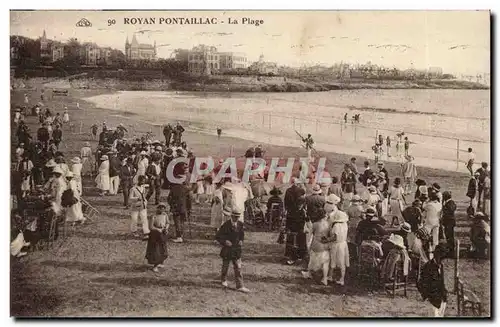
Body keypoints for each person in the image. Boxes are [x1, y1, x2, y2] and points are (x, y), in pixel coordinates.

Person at [216, 209, 250, 293]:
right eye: (235, 217)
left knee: (238, 267)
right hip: (227, 250)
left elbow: (242, 235)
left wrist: (241, 240)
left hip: (236, 250)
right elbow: (218, 236)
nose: (236, 219)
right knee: (225, 266)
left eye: (238, 217)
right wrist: (225, 241)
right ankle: (223, 280)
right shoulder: (226, 225)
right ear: (231, 216)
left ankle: (240, 285)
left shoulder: (240, 224)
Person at [301, 207, 330, 285]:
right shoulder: (328, 224)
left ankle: (309, 273)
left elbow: (309, 234)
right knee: (325, 262)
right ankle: (324, 278)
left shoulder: (315, 224)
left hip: (316, 243)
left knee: (313, 258)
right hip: (325, 243)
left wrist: (308, 245)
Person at [417, 244, 448, 317]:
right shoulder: (428, 267)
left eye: (443, 257)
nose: (441, 260)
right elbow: (420, 283)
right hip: (432, 300)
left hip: (442, 299)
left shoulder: (441, 266)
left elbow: (441, 281)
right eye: (440, 257)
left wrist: (444, 294)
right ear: (436, 255)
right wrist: (426, 296)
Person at [284, 179, 308, 265]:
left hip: (291, 218)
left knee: (291, 239)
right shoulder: (301, 192)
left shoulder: (288, 191)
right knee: (300, 239)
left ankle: (290, 255)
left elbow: (286, 203)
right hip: (299, 224)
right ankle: (301, 255)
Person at [326, 202, 350, 286]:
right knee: (342, 261)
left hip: (336, 244)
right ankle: (341, 278)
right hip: (343, 244)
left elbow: (335, 237)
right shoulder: (345, 225)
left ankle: (330, 276)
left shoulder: (336, 226)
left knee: (333, 260)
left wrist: (327, 240)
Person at [145, 203, 170, 272]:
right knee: (156, 250)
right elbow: (151, 227)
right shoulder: (153, 216)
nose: (162, 210)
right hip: (155, 235)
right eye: (160, 208)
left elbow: (167, 223)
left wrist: (166, 228)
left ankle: (161, 262)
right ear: (157, 208)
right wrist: (157, 229)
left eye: (163, 208)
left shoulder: (165, 215)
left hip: (162, 234)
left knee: (163, 248)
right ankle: (155, 265)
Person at [168, 179, 191, 243]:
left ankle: (179, 237)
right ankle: (181, 235)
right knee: (182, 222)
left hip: (175, 208)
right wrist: (189, 208)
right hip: (184, 208)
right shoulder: (186, 189)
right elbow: (189, 199)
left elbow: (169, 199)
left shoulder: (173, 188)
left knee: (177, 222)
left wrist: (171, 205)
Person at [129, 175, 150, 240]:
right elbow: (130, 198)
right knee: (134, 219)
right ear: (139, 180)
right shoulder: (133, 189)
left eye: (144, 181)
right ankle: (134, 231)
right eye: (142, 181)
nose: (143, 182)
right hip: (135, 206)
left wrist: (145, 202)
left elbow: (144, 196)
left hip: (143, 206)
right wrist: (137, 198)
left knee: (144, 219)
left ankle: (146, 232)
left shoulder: (143, 188)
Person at [441, 191, 457, 257]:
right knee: (448, 235)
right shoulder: (450, 202)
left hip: (449, 222)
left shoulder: (450, 203)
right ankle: (450, 247)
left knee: (449, 235)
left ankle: (451, 249)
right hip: (449, 222)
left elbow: (450, 210)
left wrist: (444, 209)